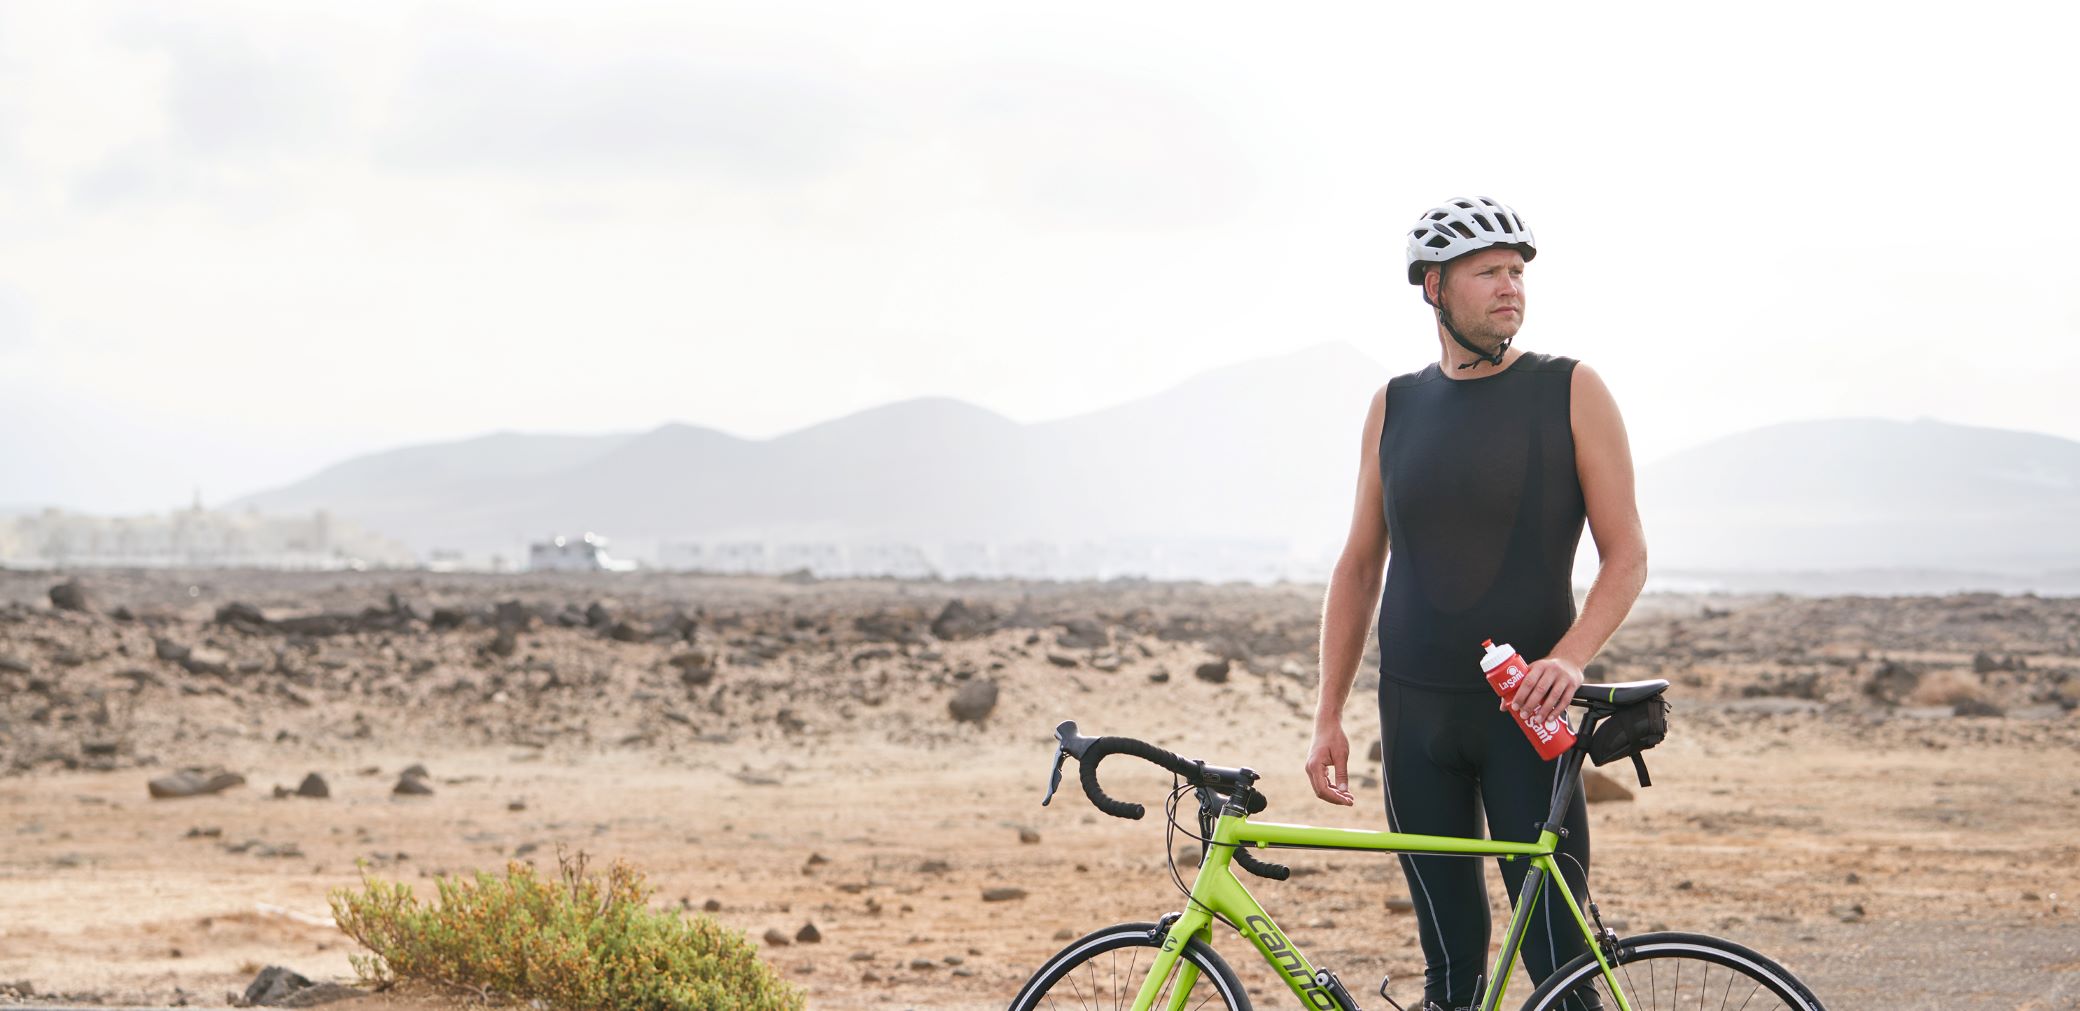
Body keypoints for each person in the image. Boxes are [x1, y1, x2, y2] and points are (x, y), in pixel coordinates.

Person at [1304, 196, 1648, 1011]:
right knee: (1450, 971)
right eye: (1488, 271)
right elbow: (1359, 567)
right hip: (1415, 713)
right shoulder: (1394, 404)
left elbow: (1626, 553)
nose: (1511, 287)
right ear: (1434, 287)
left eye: (1517, 271)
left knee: (1560, 966)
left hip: (1528, 715)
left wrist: (1569, 657)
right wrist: (1328, 712)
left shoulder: (1570, 389)